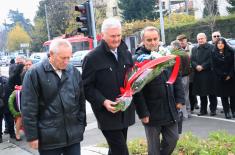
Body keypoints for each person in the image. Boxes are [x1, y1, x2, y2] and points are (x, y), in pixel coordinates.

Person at [21, 38, 86, 155]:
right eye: (63, 58)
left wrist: (81, 125)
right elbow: (28, 107)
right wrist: (32, 136)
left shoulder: (74, 72)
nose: (67, 61)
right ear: (51, 54)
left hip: (73, 135)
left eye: (69, 57)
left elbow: (80, 101)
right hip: (49, 138)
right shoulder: (34, 73)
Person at [82, 18, 135, 155]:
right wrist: (103, 101)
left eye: (118, 35)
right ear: (103, 35)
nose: (116, 39)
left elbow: (132, 78)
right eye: (112, 36)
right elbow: (86, 88)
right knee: (121, 151)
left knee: (116, 150)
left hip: (124, 111)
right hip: (107, 114)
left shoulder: (126, 53)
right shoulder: (92, 58)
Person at [133, 26, 185, 155]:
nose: (153, 42)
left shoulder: (166, 55)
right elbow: (136, 90)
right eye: (149, 40)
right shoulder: (138, 59)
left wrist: (180, 99)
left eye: (155, 39)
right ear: (143, 41)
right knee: (153, 148)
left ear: (159, 39)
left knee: (173, 139)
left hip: (170, 106)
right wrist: (142, 113)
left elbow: (176, 77)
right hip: (151, 111)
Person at [191, 33, 218, 116]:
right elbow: (192, 60)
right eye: (199, 39)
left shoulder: (212, 47)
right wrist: (196, 66)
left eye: (202, 38)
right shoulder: (194, 48)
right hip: (198, 75)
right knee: (202, 94)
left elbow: (211, 59)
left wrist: (202, 66)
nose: (200, 40)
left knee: (211, 93)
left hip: (209, 74)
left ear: (206, 39)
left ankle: (213, 110)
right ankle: (203, 110)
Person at [212, 37, 235, 119]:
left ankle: (233, 111)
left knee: (233, 96)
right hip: (220, 78)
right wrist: (222, 75)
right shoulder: (213, 52)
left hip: (231, 77)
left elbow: (233, 64)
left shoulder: (231, 51)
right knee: (224, 96)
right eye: (218, 43)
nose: (220, 45)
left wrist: (230, 75)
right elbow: (214, 66)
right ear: (216, 44)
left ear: (224, 44)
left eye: (222, 43)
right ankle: (227, 112)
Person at [176, 34, 199, 112]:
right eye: (179, 41)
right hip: (183, 73)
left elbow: (195, 59)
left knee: (191, 89)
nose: (181, 42)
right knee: (186, 91)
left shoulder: (192, 48)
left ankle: (194, 104)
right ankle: (190, 107)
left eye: (183, 40)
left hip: (191, 72)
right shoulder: (177, 50)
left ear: (186, 40)